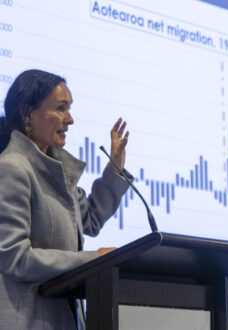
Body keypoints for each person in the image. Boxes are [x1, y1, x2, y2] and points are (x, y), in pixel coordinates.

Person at [0, 69, 132, 330]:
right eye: (61, 108)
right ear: (28, 114)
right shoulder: (13, 168)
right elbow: (14, 257)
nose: (70, 119)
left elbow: (90, 220)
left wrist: (115, 169)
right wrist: (92, 260)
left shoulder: (57, 171)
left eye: (69, 108)